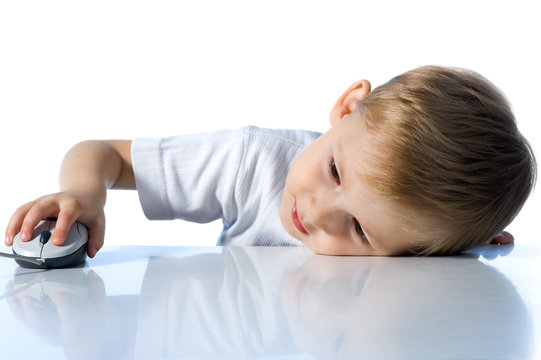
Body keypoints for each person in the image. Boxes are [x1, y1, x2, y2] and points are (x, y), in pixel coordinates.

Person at [4, 66, 536, 257]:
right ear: (347, 107)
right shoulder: (254, 161)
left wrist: (464, 245)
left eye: (359, 230)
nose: (318, 211)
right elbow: (102, 154)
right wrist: (85, 195)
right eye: (333, 171)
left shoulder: (422, 242)